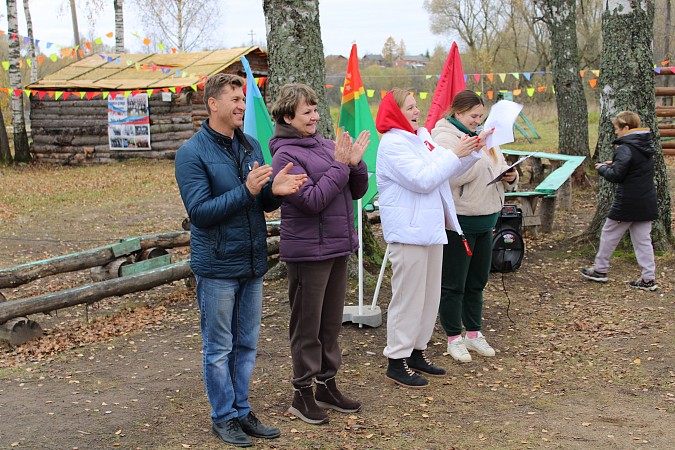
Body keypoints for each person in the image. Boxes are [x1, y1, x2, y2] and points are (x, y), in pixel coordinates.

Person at [174, 73, 307, 447]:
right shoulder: (191, 154)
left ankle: (242, 409)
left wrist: (275, 193)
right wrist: (247, 189)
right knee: (218, 348)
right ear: (213, 104)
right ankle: (223, 417)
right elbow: (200, 212)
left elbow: (259, 202)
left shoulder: (250, 145)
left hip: (251, 262)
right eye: (234, 98)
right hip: (216, 266)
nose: (241, 106)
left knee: (247, 344)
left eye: (244, 99)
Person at [269, 83, 370, 424]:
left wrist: (355, 165)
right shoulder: (285, 155)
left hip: (337, 247)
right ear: (287, 117)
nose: (314, 116)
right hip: (308, 253)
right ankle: (302, 393)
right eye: (306, 111)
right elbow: (312, 200)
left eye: (315, 109)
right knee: (307, 326)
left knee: (329, 324)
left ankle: (327, 385)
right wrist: (341, 166)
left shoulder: (327, 146)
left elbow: (356, 191)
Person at [376, 89, 484, 388]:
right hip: (408, 232)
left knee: (428, 296)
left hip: (431, 228)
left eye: (416, 106)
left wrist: (472, 151)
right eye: (409, 107)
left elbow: (444, 170)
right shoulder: (392, 144)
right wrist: (454, 154)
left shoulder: (420, 136)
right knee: (408, 298)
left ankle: (416, 352)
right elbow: (422, 180)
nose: (416, 111)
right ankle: (396, 360)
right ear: (396, 111)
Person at [431, 90, 518, 363]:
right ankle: (453, 337)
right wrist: (475, 151)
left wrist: (510, 176)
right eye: (473, 116)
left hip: (488, 216)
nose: (477, 121)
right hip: (460, 220)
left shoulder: (484, 135)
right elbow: (450, 178)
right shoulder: (444, 137)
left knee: (478, 282)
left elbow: (498, 166)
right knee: (454, 282)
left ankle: (474, 333)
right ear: (457, 112)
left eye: (481, 116)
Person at [580, 110, 659, 291]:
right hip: (646, 199)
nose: (616, 132)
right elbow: (634, 168)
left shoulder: (625, 147)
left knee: (609, 234)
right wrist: (614, 163)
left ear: (625, 127)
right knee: (643, 241)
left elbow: (616, 175)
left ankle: (600, 270)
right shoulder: (645, 145)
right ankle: (648, 278)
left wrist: (601, 169)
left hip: (628, 201)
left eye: (617, 128)